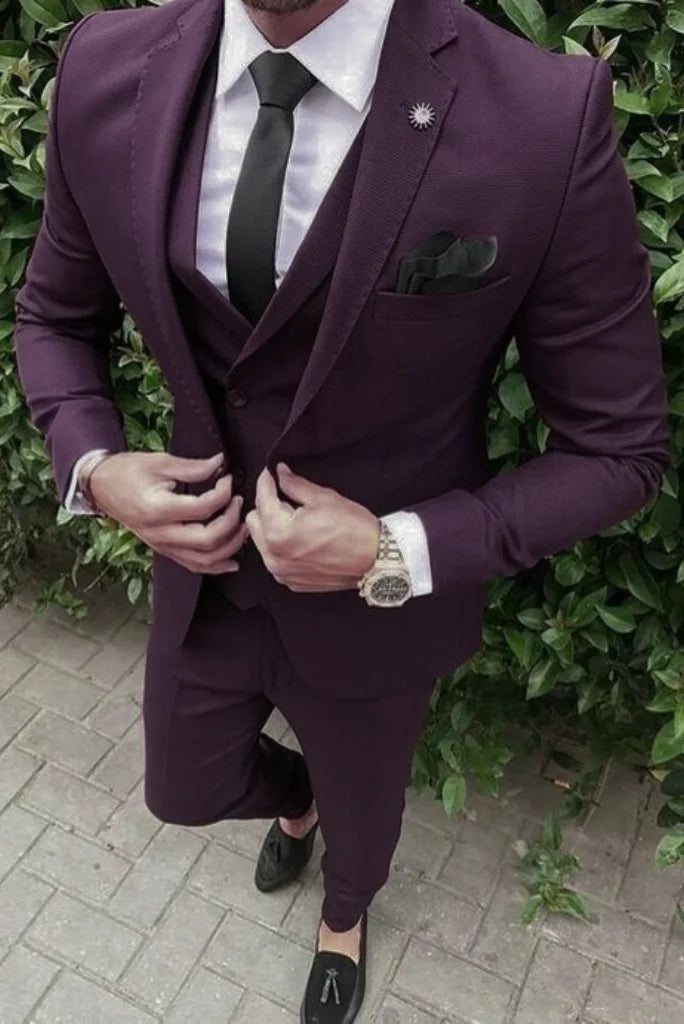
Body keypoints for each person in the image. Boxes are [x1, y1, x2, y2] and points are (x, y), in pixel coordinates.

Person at [13, 0, 670, 1019]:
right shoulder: (106, 65)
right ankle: (297, 800)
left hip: (378, 609)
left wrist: (395, 548)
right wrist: (95, 466)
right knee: (182, 787)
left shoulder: (544, 114)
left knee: (367, 825)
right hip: (207, 575)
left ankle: (347, 915)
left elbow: (619, 449)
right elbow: (54, 314)